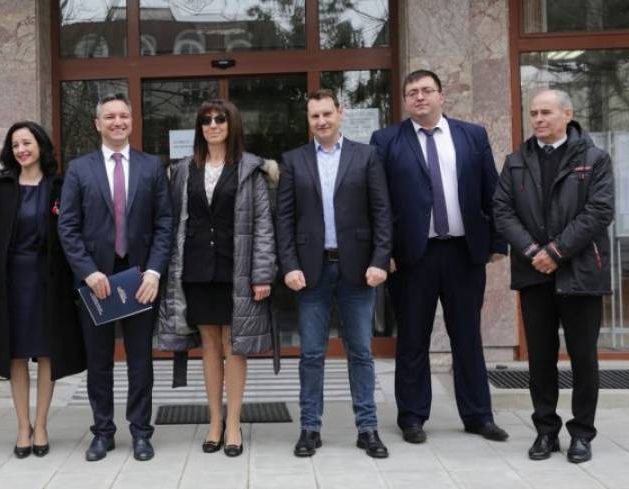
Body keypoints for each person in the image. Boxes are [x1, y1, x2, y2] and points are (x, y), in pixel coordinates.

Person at [369, 69, 509, 444]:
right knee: (413, 338)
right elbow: (378, 203)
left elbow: (492, 191)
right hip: (412, 257)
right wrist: (383, 253)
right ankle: (412, 416)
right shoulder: (386, 141)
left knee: (468, 337)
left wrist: (497, 243)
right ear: (405, 101)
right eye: (412, 92)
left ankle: (478, 415)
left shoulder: (472, 135)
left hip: (464, 252)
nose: (420, 97)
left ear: (441, 96)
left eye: (426, 90)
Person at [493, 90, 613, 464]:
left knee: (583, 358)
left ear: (567, 114)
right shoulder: (516, 161)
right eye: (533, 113)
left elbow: (599, 211)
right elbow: (502, 211)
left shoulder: (594, 159)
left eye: (546, 112)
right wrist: (534, 252)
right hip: (535, 275)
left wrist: (557, 252)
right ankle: (546, 431)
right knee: (540, 358)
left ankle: (582, 434)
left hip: (581, 272)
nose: (538, 119)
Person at [276, 90, 392, 458]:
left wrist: (380, 259)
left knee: (361, 352)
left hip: (358, 269)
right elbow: (284, 220)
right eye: (315, 116)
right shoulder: (293, 160)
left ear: (340, 113)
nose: (322, 121)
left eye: (327, 113)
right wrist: (289, 265)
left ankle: (368, 428)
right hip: (311, 272)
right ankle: (310, 428)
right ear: (308, 119)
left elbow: (382, 212)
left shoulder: (366, 156)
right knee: (311, 354)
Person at [158, 99, 276, 457]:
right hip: (196, 269)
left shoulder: (250, 169)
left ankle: (234, 423)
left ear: (232, 124)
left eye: (219, 119)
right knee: (209, 345)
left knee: (234, 346)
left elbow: (263, 226)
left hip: (236, 269)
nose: (212, 125)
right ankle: (214, 421)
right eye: (206, 120)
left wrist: (262, 274)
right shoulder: (182, 169)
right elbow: (174, 221)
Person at [58, 93, 172, 462]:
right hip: (97, 282)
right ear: (98, 124)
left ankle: (141, 432)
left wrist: (154, 271)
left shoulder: (152, 166)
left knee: (141, 361)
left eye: (124, 115)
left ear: (132, 121)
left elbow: (164, 223)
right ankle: (103, 432)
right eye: (110, 117)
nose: (118, 122)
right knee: (99, 361)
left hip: (140, 279)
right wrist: (88, 272)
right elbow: (68, 226)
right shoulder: (79, 169)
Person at [0, 121, 85, 458]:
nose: (21, 150)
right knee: (16, 353)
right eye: (15, 145)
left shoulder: (61, 185)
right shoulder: (1, 187)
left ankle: (41, 425)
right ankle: (23, 426)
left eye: (26, 143)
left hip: (50, 280)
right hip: (11, 280)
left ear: (40, 145)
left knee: (48, 351)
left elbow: (74, 232)